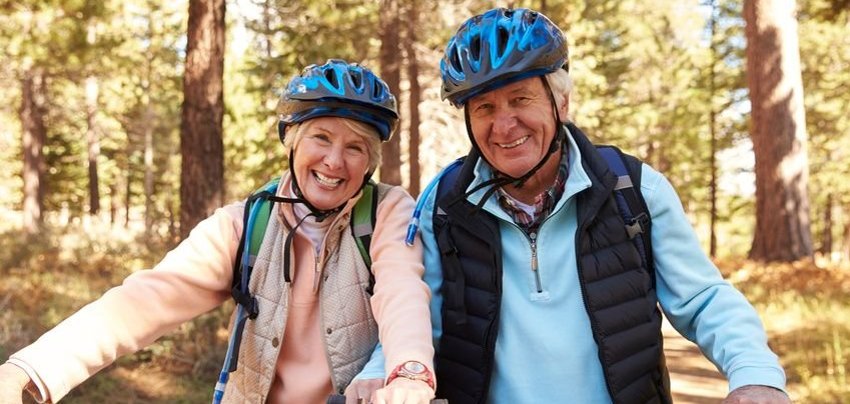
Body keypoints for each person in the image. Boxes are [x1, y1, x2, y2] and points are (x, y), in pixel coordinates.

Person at [0, 59, 436, 404]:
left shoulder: (388, 211)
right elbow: (146, 298)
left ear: (371, 161)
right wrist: (30, 367)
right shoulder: (245, 223)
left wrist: (410, 371)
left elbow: (403, 291)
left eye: (355, 147)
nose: (334, 162)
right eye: (322, 137)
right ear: (292, 141)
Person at [414, 7, 791, 404]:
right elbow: (413, 322)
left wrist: (755, 375)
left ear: (561, 103)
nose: (505, 125)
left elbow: (703, 299)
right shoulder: (442, 207)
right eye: (484, 108)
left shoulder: (634, 189)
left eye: (520, 99)